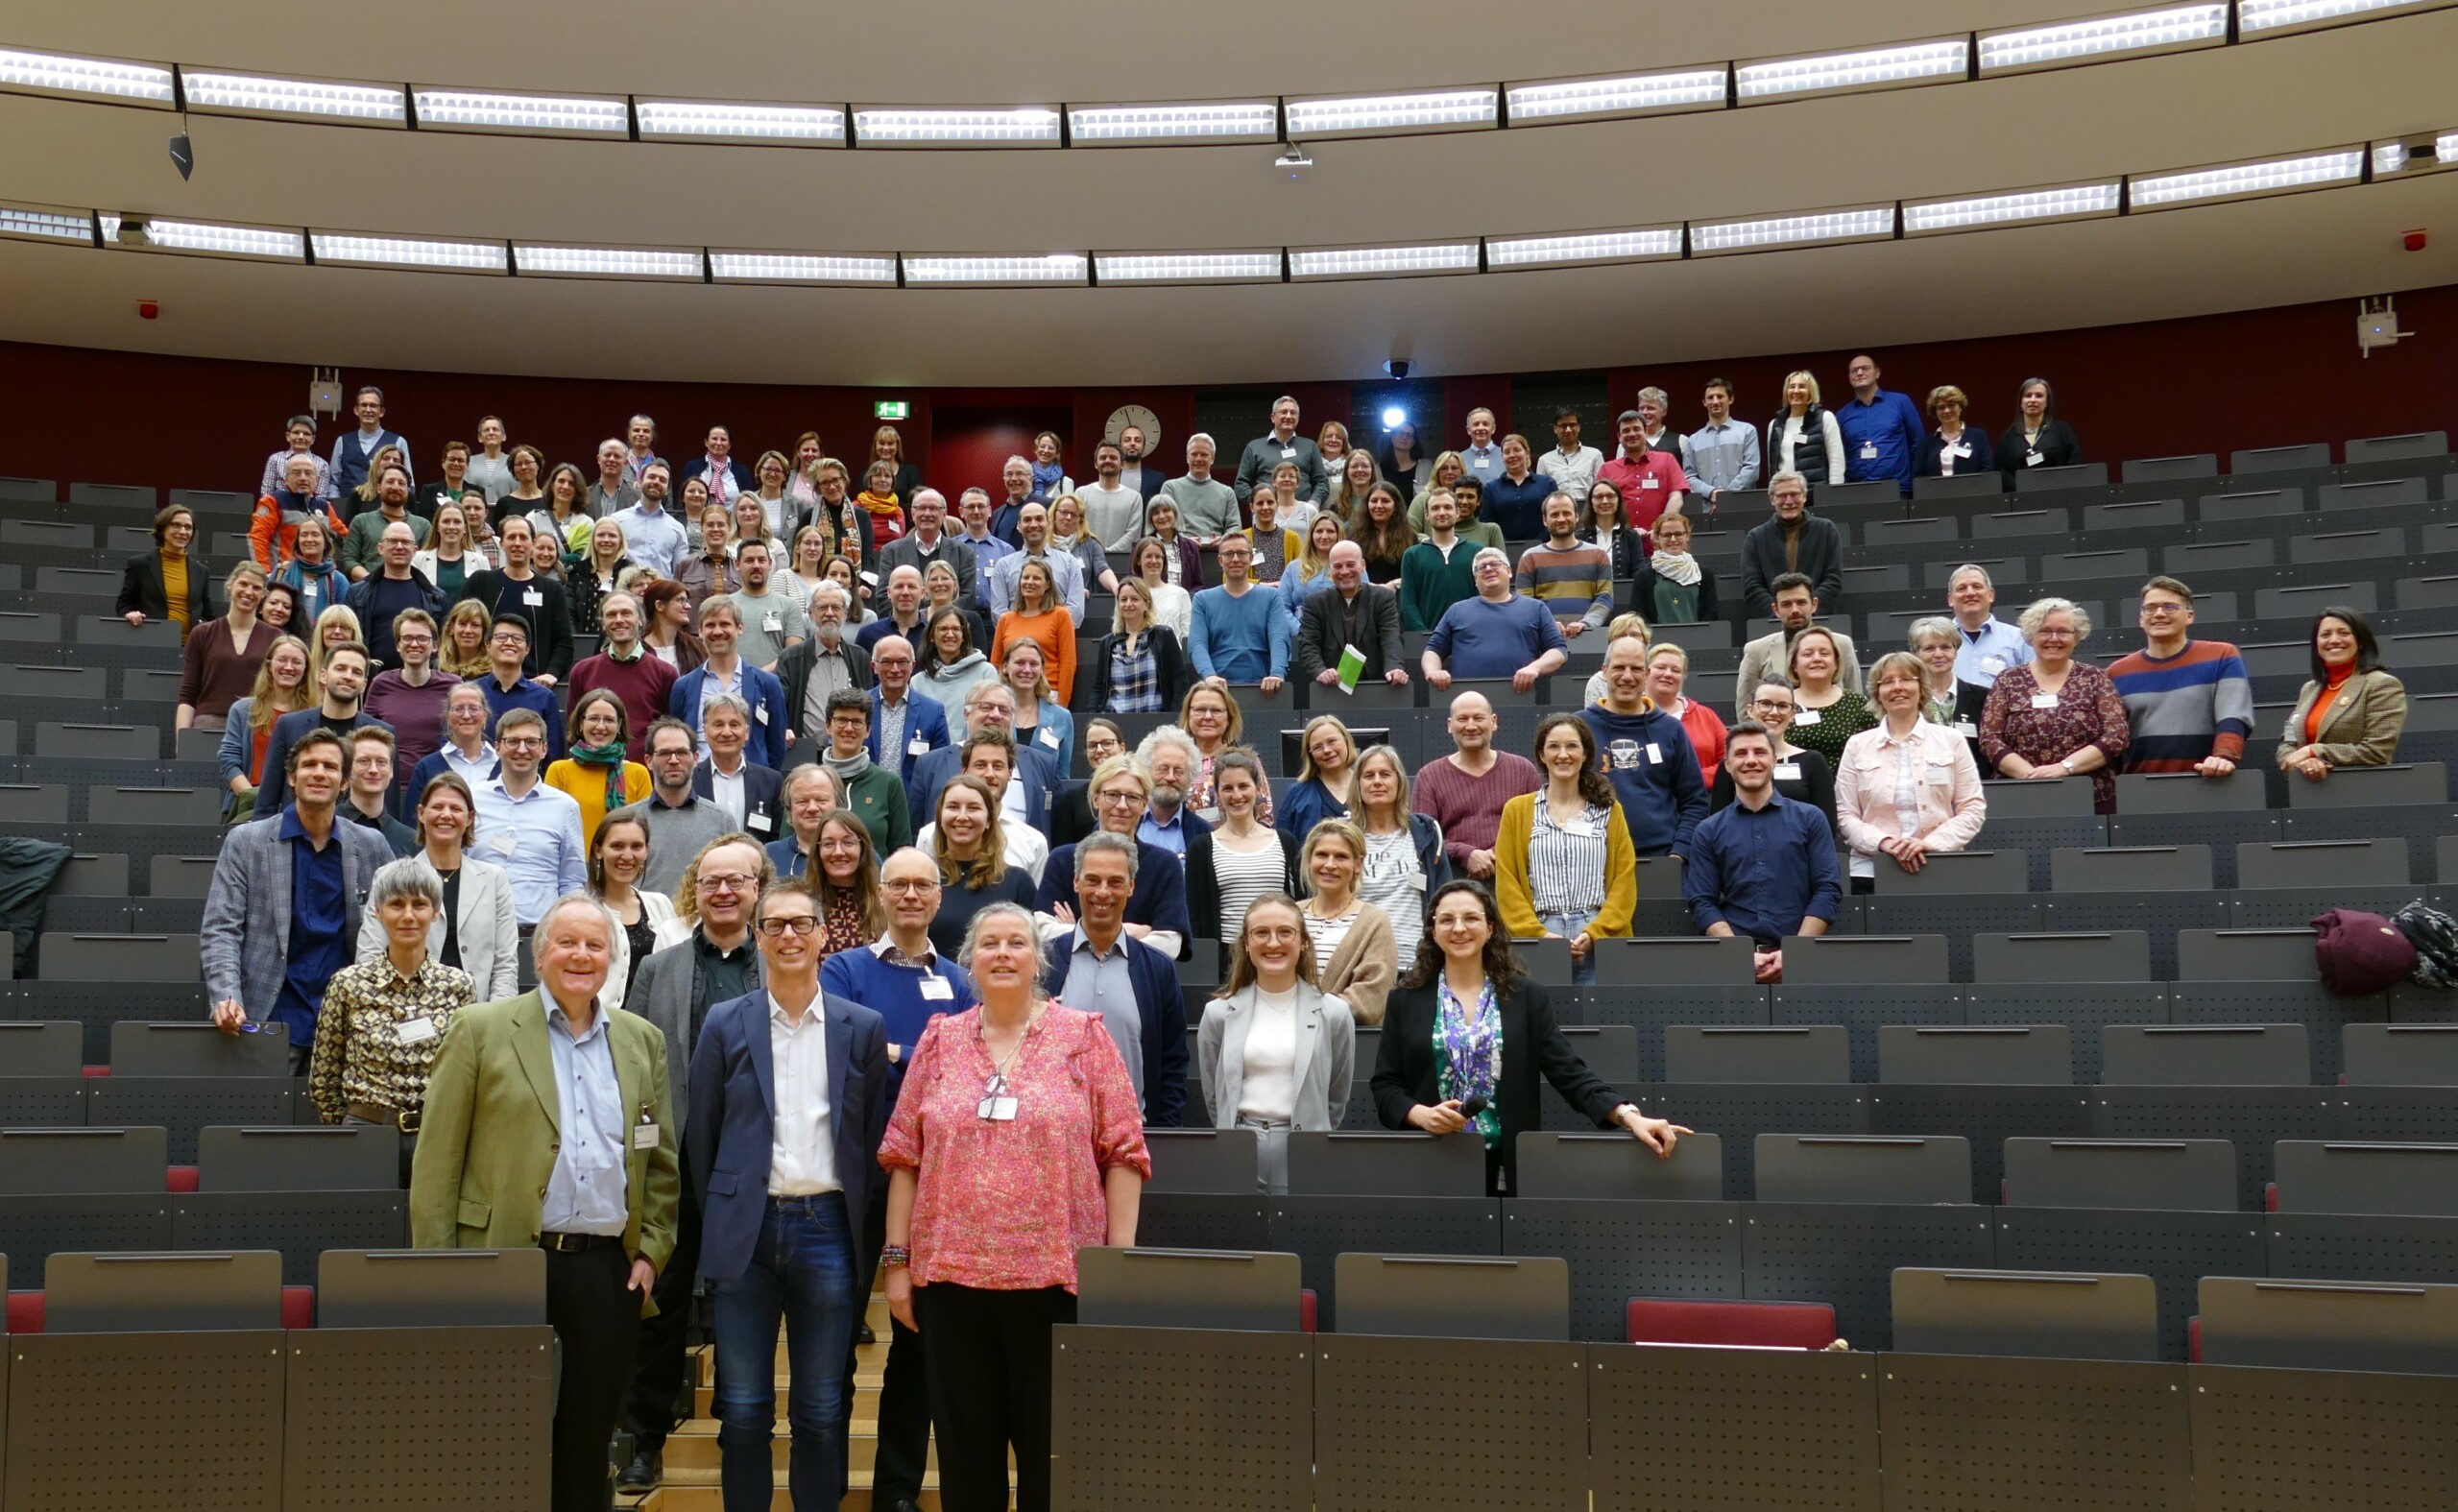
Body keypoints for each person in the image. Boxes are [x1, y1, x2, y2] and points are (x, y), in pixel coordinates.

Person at [409, 892, 677, 1512]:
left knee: (588, 1440)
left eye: (595, 944)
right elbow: (437, 1163)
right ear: (540, 954)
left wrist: (650, 1253)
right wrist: (439, 1270)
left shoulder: (643, 1040)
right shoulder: (480, 1028)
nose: (581, 954)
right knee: (497, 1434)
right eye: (568, 941)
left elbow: (658, 1160)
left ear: (613, 958)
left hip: (606, 1271)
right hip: (503, 1262)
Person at [880, 901, 1150, 1512]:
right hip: (951, 1281)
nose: (1003, 954)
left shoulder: (1084, 1036)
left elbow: (1125, 1153)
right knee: (966, 1466)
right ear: (968, 962)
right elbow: (903, 1157)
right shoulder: (939, 1040)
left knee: (1050, 1466)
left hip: (1058, 1282)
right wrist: (897, 1262)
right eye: (989, 944)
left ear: (1038, 960)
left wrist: (1119, 1266)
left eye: (1017, 944)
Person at [682, 878, 886, 1510]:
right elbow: (702, 1134)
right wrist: (724, 1214)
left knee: (822, 1410)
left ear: (825, 935)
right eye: (776, 924)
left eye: (803, 923)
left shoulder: (862, 1026)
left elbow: (872, 1137)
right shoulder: (724, 1022)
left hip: (826, 1227)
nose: (791, 935)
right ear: (758, 936)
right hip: (745, 1230)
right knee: (742, 1408)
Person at [815, 848, 976, 1511]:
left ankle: (898, 1491)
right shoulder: (844, 968)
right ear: (880, 894)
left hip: (935, 1177)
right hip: (852, 1174)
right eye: (899, 884)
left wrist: (894, 1054)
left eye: (923, 884)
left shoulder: (962, 980)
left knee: (915, 1342)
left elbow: (965, 1067)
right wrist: (924, 1056)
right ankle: (822, 1484)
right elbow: (846, 1056)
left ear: (939, 897)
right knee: (834, 1338)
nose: (911, 894)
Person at [619, 833, 769, 1491]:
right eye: (712, 881)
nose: (724, 891)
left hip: (757, 1166)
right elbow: (631, 1056)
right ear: (695, 890)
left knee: (750, 1307)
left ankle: (748, 1440)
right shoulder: (661, 966)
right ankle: (646, 1439)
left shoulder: (781, 960)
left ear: (758, 888)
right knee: (661, 1308)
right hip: (674, 1163)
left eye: (737, 880)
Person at [1374, 879, 1685, 1193]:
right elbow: (1385, 1086)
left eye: (1471, 918)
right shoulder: (1405, 1000)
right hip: (1428, 1158)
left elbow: (1571, 1074)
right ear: (1433, 930)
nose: (1459, 928)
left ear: (1491, 928)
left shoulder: (1526, 997)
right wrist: (1421, 1115)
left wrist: (1630, 1117)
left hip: (1506, 1166)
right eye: (1446, 920)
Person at [203, 727, 398, 1074]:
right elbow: (221, 928)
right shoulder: (247, 842)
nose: (319, 773)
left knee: (334, 1129)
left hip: (345, 1017)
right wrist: (226, 994)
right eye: (309, 765)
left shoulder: (372, 846)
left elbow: (393, 935)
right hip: (267, 1009)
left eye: (330, 766)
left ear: (343, 782)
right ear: (292, 777)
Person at [312, 854, 475, 1180]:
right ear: (378, 911)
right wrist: (351, 1134)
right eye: (396, 904)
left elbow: (469, 1075)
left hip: (438, 1137)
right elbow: (324, 1078)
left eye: (419, 904)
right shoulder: (348, 985)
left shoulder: (458, 986)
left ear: (436, 911)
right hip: (367, 1135)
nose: (408, 916)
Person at [1196, 893, 1356, 1193]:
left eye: (1285, 932)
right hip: (1240, 1146)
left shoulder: (1334, 1013)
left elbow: (1337, 1095)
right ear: (1246, 943)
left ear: (1303, 941)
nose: (1273, 943)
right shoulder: (1218, 1014)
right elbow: (1214, 1095)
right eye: (1261, 933)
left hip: (1305, 1147)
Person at [1043, 831, 1189, 1124]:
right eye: (1093, 880)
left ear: (1132, 887)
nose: (1103, 892)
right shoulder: (1043, 963)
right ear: (1076, 883)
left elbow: (1173, 1062)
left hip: (1134, 1135)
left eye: (1116, 882)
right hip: (1056, 1138)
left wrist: (1165, 1130)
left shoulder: (1158, 969)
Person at [1685, 723, 1843, 980]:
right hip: (1732, 967)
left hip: (1806, 963)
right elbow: (1702, 902)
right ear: (1726, 764)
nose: (1750, 761)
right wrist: (1740, 955)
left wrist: (1796, 952)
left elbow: (1827, 889)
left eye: (1759, 752)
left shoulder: (1811, 819)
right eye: (1740, 754)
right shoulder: (1708, 830)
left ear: (1775, 760)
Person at [1496, 715, 1638, 983]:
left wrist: (1596, 932)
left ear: (1585, 754)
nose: (1563, 754)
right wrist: (1538, 935)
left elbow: (1624, 881)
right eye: (1554, 747)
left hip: (1598, 938)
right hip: (1539, 936)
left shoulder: (1609, 810)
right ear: (1541, 754)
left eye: (1572, 746)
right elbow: (1507, 882)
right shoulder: (1517, 811)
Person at [363, 771, 520, 1003]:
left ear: (469, 818)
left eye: (455, 809)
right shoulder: (388, 878)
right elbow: (370, 956)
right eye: (437, 807)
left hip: (477, 1018)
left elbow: (505, 965)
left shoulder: (494, 880)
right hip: (405, 1017)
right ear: (421, 814)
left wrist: (494, 1022)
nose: (446, 815)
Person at [1838, 653, 1990, 894]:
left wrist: (1928, 844)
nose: (1897, 687)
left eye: (1907, 679)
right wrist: (1886, 844)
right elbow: (1844, 815)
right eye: (1887, 682)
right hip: (1871, 866)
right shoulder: (1857, 745)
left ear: (1922, 688)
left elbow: (1972, 808)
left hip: (1940, 861)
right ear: (1877, 693)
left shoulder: (1951, 740)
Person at [1980, 598, 2133, 813]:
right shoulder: (2008, 680)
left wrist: (2064, 768)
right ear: (2031, 636)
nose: (2054, 639)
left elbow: (2117, 735)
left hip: (2091, 798)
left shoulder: (2095, 678)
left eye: (2063, 632)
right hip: (2020, 796)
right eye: (2044, 631)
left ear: (2076, 637)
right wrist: (2030, 776)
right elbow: (1989, 738)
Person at [1037, 755, 1193, 961]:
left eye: (1132, 797)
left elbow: (1170, 943)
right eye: (1112, 795)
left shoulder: (1164, 865)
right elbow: (1040, 931)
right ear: (1095, 799)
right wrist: (1127, 933)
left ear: (1145, 804)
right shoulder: (1063, 860)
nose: (1121, 805)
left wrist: (1074, 931)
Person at [2108, 576, 2254, 778]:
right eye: (2150, 608)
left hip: (2207, 781)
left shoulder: (2222, 655)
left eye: (2169, 607)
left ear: (2189, 616)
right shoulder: (2117, 672)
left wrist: (2224, 756)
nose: (2159, 614)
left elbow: (2234, 714)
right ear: (2141, 619)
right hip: (2139, 786)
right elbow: (2113, 738)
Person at [1581, 634, 1710, 859]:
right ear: (1604, 670)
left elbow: (1694, 800)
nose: (1627, 676)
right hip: (1594, 857)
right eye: (1619, 667)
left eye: (1636, 668)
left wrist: (1679, 852)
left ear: (1647, 673)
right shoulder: (1579, 727)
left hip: (1661, 858)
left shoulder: (1671, 729)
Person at [471, 708, 590, 927]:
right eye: (513, 741)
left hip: (541, 933)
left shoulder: (565, 807)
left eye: (532, 742)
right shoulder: (472, 799)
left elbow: (571, 881)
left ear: (544, 749)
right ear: (497, 747)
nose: (522, 749)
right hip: (479, 930)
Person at [1413, 690, 1539, 884]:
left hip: (1514, 880)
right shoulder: (1429, 776)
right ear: (1449, 725)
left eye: (1478, 718)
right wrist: (1466, 854)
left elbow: (1538, 828)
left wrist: (1497, 854)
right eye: (1462, 719)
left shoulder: (1523, 770)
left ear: (1494, 722)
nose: (1471, 726)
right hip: (1453, 882)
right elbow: (1423, 839)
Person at [2277, 607, 2407, 781]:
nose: (2334, 640)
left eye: (2344, 633)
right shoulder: (2309, 688)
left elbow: (2377, 752)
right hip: (2308, 792)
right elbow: (2288, 740)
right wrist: (2302, 762)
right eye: (2325, 635)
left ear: (2360, 641)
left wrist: (2315, 751)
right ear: (2316, 644)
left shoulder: (2381, 684)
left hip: (2360, 789)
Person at [254, 638, 381, 816]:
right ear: (323, 675)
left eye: (356, 672)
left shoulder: (381, 734)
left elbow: (387, 808)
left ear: (364, 684)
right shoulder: (289, 725)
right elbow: (267, 800)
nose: (348, 676)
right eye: (340, 668)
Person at [1186, 748, 1298, 946]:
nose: (1237, 795)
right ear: (1218, 794)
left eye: (1243, 786)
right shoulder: (1201, 848)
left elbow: (1301, 905)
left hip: (1279, 952)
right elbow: (1197, 921)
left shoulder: (1285, 842)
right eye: (1228, 788)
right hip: (1226, 961)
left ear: (1257, 789)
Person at [1352, 745, 1448, 974]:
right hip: (1362, 965)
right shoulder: (1343, 837)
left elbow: (1444, 897)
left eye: (1385, 774)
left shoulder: (1426, 832)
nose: (1377, 781)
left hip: (1416, 962)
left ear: (1399, 781)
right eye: (1368, 776)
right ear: (1357, 785)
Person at [622, 716, 741, 899]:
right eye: (664, 753)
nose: (673, 760)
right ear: (648, 760)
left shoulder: (721, 820)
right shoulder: (627, 820)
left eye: (681, 752)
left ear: (695, 758)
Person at [1295, 819, 1398, 1023]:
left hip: (1343, 1044)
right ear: (1309, 860)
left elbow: (1371, 1000)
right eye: (1322, 855)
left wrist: (1303, 1013)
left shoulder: (1374, 921)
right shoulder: (1291, 914)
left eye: (1341, 857)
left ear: (1357, 865)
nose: (1330, 864)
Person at [1423, 547, 1569, 691]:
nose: (1488, 569)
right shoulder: (1457, 610)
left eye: (1495, 564)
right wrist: (1433, 672)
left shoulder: (1536, 608)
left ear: (1509, 571)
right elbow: (1432, 651)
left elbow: (1558, 651)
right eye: (1481, 568)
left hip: (1520, 696)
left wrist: (1534, 668)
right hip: (1469, 701)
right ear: (1475, 580)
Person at [671, 595, 791, 769]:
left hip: (751, 786)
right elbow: (678, 741)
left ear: (740, 628)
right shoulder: (683, 687)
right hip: (698, 785)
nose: (718, 631)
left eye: (725, 624)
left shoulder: (768, 684)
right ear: (700, 631)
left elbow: (776, 747)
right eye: (710, 625)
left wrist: (762, 781)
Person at [461, 516, 576, 685]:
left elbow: (563, 642)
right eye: (511, 537)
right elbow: (460, 628)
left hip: (533, 684)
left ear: (533, 544)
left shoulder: (551, 590)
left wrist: (552, 673)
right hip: (483, 682)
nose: (517, 543)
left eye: (523, 537)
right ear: (501, 544)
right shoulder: (480, 582)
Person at [566, 592, 679, 764]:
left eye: (626, 613)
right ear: (603, 624)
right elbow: (574, 729)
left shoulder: (665, 673)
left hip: (645, 775)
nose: (619, 620)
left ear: (640, 620)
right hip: (591, 769)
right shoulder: (583, 671)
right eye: (611, 615)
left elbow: (670, 732)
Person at [1714, 674, 1839, 826]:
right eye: (1765, 704)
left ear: (1792, 714)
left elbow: (1827, 825)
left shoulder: (1813, 762)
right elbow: (1717, 821)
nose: (1774, 712)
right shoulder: (1734, 763)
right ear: (1750, 710)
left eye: (1782, 706)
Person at [1736, 573, 1865, 715]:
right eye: (1786, 604)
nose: (1795, 610)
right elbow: (1745, 709)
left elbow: (1855, 697)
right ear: (1775, 610)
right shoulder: (1756, 650)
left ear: (1814, 604)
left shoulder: (1842, 644)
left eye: (1801, 602)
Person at [808, 685, 913, 856]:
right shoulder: (807, 783)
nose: (849, 728)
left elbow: (902, 853)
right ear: (828, 726)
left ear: (868, 730)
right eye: (841, 720)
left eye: (857, 722)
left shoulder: (889, 784)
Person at [219, 635, 312, 822]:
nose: (288, 667)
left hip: (301, 808)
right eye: (282, 660)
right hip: (250, 805)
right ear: (269, 665)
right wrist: (252, 797)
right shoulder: (243, 710)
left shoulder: (313, 715)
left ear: (305, 669)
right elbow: (228, 759)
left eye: (296, 662)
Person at [590, 809, 675, 1011]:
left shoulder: (660, 905)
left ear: (646, 852)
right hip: (603, 1028)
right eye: (617, 846)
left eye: (636, 846)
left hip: (655, 1028)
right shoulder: (581, 910)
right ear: (598, 850)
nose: (627, 856)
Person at [1294, 543, 1409, 691]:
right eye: (1338, 566)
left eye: (1350, 565)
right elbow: (1308, 644)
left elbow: (1391, 637)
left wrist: (1394, 668)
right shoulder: (1315, 603)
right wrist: (1320, 671)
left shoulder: (1382, 598)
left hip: (1376, 688)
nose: (1344, 571)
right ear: (1330, 570)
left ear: (1363, 565)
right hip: (1330, 689)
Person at [178, 562, 277, 732]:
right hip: (208, 724)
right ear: (230, 585)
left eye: (256, 587)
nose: (248, 592)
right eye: (243, 584)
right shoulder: (202, 633)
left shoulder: (275, 638)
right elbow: (188, 693)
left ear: (263, 595)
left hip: (255, 725)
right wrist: (183, 738)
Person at [1189, 533, 1291, 693]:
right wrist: (1209, 675)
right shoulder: (1203, 600)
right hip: (1216, 689)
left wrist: (1277, 674)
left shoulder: (1271, 596)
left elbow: (1279, 638)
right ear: (1220, 560)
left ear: (1251, 558)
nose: (1235, 559)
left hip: (1264, 689)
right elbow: (1197, 643)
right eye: (1229, 554)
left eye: (1242, 553)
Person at [546, 689, 652, 842]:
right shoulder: (559, 771)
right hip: (573, 863)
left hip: (623, 862)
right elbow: (551, 828)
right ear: (581, 723)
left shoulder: (638, 773)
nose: (601, 726)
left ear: (619, 725)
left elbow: (646, 832)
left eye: (609, 720)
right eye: (593, 718)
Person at [1740, 471, 1845, 620]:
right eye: (1782, 495)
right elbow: (1752, 586)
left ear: (1804, 496)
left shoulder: (1826, 530)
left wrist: (1807, 611)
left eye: (1794, 494)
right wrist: (1780, 613)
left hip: (1817, 622)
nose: (1789, 501)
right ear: (1772, 499)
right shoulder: (1756, 537)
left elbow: (1833, 579)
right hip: (1773, 624)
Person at [1514, 491, 1614, 640]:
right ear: (1544, 520)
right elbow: (1525, 603)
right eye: (1554, 515)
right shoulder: (1530, 557)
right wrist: (1548, 624)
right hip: (1544, 639)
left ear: (1577, 516)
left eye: (1566, 513)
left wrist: (1586, 624)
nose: (1561, 519)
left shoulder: (1598, 555)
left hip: (1589, 638)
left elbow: (1605, 598)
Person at [1090, 577, 1190, 717]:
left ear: (1146, 604)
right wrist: (1094, 717)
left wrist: (1173, 717)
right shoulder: (1107, 642)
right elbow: (1098, 687)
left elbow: (1179, 680)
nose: (1128, 604)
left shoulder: (1163, 635)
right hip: (1114, 723)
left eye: (1135, 599)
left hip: (1155, 720)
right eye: (1123, 600)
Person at [470, 613, 562, 762]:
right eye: (501, 637)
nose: (509, 642)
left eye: (517, 638)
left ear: (527, 648)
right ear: (488, 645)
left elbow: (553, 753)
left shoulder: (544, 697)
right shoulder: (471, 693)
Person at [1784, 626, 1877, 772]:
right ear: (1794, 665)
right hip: (1794, 791)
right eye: (1808, 654)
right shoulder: (1782, 704)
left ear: (1836, 663)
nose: (1816, 659)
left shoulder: (1859, 705)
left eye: (1824, 653)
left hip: (1847, 790)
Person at [877, 488, 978, 613]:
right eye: (921, 508)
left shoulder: (963, 552)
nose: (927, 513)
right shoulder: (891, 551)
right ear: (913, 514)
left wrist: (938, 619)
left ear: (944, 514)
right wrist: (915, 620)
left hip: (949, 627)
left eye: (933, 508)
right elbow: (883, 597)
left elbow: (968, 598)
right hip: (904, 628)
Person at [117, 503, 210, 639]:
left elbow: (207, 614)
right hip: (153, 641)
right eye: (176, 525)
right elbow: (123, 604)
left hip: (191, 647)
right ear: (162, 529)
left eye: (188, 527)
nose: (183, 532)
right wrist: (130, 613)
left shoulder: (201, 571)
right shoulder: (140, 565)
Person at [1837, 354, 1925, 497]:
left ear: (1877, 373)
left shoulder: (1900, 402)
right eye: (1854, 370)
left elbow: (1918, 443)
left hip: (1898, 489)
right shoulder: (1842, 415)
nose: (1859, 373)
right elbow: (1840, 455)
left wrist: (1915, 483)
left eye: (1865, 368)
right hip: (1856, 491)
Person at [403, 679, 499, 804]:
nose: (466, 716)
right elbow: (413, 820)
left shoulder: (503, 765)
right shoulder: (426, 768)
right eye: (458, 709)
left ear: (485, 716)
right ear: (447, 717)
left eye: (473, 708)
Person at [1398, 487, 1481, 633]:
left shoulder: (1476, 552)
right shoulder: (1412, 555)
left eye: (1448, 507)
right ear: (1427, 515)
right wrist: (1424, 635)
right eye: (1435, 508)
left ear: (1457, 512)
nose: (1442, 512)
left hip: (1469, 638)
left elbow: (1482, 598)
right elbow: (1408, 604)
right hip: (1426, 642)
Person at [253, 451, 349, 574]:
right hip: (284, 575)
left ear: (317, 480)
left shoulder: (325, 507)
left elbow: (348, 539)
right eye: (296, 473)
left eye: (308, 473)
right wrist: (265, 573)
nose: (303, 477)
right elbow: (258, 538)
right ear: (286, 480)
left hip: (318, 576)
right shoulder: (273, 502)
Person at [1598, 410, 1689, 531]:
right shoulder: (1607, 469)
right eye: (1626, 431)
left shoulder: (1667, 460)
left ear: (1645, 431)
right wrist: (1625, 531)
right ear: (1619, 437)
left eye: (1636, 429)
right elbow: (1601, 504)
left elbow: (1676, 497)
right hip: (1621, 539)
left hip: (1658, 539)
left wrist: (1660, 529)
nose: (1631, 434)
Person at [1648, 642, 1728, 777]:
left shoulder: (1705, 716)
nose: (1668, 674)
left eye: (1676, 670)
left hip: (1702, 795)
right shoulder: (1631, 715)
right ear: (1645, 672)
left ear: (1684, 676)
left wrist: (1694, 780)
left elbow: (1730, 760)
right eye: (1661, 667)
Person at [340, 726, 422, 856]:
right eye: (364, 761)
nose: (373, 769)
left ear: (391, 770)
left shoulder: (409, 840)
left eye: (381, 762)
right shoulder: (327, 825)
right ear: (348, 768)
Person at [1682, 377, 1760, 510]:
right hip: (1707, 510)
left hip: (1742, 507)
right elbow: (1689, 477)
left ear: (1731, 399)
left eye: (1720, 396)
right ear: (1704, 402)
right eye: (1710, 397)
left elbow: (1751, 469)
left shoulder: (1747, 431)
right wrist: (1711, 493)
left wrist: (1725, 497)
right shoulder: (1693, 440)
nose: (1715, 401)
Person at [1234, 395, 1329, 503]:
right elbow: (1240, 484)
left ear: (1298, 419)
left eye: (1293, 413)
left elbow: (1322, 482)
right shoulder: (1254, 447)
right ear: (1273, 417)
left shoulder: (1310, 446)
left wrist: (1314, 503)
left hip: (1303, 513)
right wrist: (1259, 503)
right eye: (1284, 412)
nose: (1288, 416)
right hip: (1267, 514)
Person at [1628, 509, 1717, 626]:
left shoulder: (1704, 574)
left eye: (1679, 534)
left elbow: (1711, 613)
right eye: (1667, 535)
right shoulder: (1644, 575)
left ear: (1687, 536)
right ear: (1658, 538)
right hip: (1657, 641)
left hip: (1697, 639)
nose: (1673, 539)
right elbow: (1637, 613)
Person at [1280, 713, 1360, 840]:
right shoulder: (1296, 794)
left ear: (1346, 740)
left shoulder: (1368, 786)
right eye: (1317, 747)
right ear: (1310, 755)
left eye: (1332, 741)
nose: (1326, 750)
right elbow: (1285, 845)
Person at [1155, 432, 1240, 544]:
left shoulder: (1227, 492)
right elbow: (1163, 522)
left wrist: (1223, 541)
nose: (1198, 459)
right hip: (1180, 551)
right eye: (1194, 454)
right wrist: (1184, 541)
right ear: (1187, 458)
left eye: (1204, 455)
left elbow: (1235, 525)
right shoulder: (1171, 487)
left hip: (1217, 553)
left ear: (1212, 459)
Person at [412, 492, 496, 602]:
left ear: (465, 528)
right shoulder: (418, 560)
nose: (451, 527)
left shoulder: (481, 562)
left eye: (457, 522)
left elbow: (488, 601)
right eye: (446, 521)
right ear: (437, 526)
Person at [614, 464, 692, 581]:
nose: (656, 482)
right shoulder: (617, 521)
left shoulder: (677, 528)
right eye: (651, 477)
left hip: (660, 594)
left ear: (667, 490)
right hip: (625, 593)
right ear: (639, 482)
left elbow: (680, 572)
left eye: (662, 480)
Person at [1766, 371, 1844, 488]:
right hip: (1786, 495)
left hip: (1817, 493)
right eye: (1792, 387)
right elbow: (1772, 466)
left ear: (1811, 392)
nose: (1796, 391)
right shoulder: (1775, 425)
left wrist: (1834, 492)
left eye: (1802, 387)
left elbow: (1836, 461)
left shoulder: (1825, 418)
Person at [1998, 377, 2083, 486]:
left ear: (2047, 402)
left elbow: (2074, 464)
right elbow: (2002, 472)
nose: (2033, 400)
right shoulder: (2008, 438)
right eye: (2028, 395)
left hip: (2058, 493)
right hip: (2020, 497)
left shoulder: (2062, 430)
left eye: (2039, 396)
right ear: (2021, 403)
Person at [331, 386, 409, 494]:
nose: (368, 410)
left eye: (373, 406)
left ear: (381, 411)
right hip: (347, 505)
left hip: (383, 504)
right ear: (356, 410)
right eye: (363, 405)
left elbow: (408, 481)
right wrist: (337, 503)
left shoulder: (398, 442)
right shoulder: (342, 441)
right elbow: (334, 482)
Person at [274, 513, 349, 624]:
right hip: (287, 638)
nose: (309, 539)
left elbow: (344, 620)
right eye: (304, 535)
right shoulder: (281, 572)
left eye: (315, 534)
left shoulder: (339, 580)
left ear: (325, 543)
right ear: (298, 542)